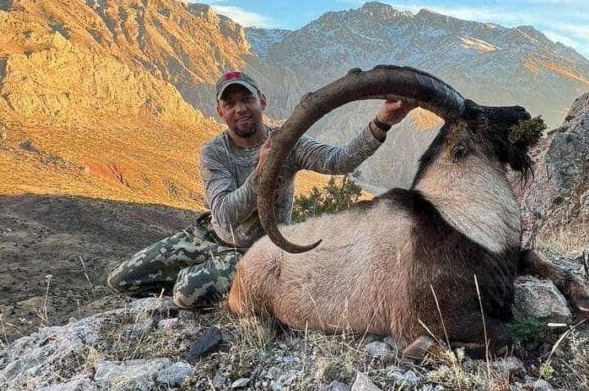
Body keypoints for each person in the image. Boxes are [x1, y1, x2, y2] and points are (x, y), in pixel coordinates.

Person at [107, 69, 414, 308]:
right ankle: (214, 273)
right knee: (122, 281)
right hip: (209, 236)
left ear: (262, 102)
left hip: (258, 250)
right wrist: (259, 173)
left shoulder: (288, 141)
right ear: (220, 112)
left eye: (247, 100)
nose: (240, 109)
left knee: (186, 293)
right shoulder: (214, 152)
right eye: (230, 103)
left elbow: (340, 161)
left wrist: (382, 122)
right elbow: (225, 215)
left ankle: (241, 284)